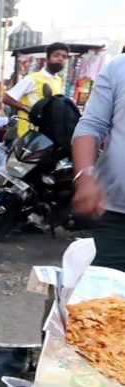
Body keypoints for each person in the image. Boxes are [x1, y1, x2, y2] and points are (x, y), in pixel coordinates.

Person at [72, 54, 125, 272]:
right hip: (117, 216)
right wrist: (85, 177)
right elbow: (91, 126)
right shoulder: (118, 68)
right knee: (104, 301)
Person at [4, 42, 70, 138]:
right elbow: (7, 98)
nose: (60, 59)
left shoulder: (58, 80)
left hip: (46, 132)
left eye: (64, 57)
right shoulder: (32, 78)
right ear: (47, 59)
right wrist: (28, 109)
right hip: (29, 133)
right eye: (56, 55)